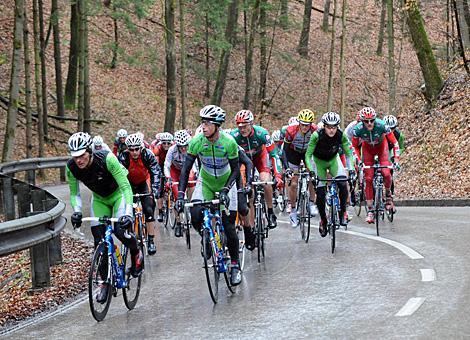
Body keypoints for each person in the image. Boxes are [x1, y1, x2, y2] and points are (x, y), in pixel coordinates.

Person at [66, 132, 143, 303]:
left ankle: (136, 252)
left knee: (120, 230)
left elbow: (125, 187)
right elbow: (74, 194)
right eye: (75, 156)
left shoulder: (107, 159)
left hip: (118, 195)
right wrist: (77, 211)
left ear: (89, 151)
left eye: (82, 155)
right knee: (99, 240)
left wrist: (128, 213)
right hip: (99, 199)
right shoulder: (71, 167)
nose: (79, 160)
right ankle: (104, 283)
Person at [175, 104, 242, 286]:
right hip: (205, 182)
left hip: (226, 183)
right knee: (195, 214)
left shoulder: (229, 142)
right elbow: (186, 169)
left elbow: (236, 170)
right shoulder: (197, 141)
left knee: (228, 226)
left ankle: (235, 265)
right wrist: (180, 195)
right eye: (201, 122)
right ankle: (206, 235)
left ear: (217, 125)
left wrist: (227, 190)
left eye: (207, 123)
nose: (203, 126)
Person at [230, 110, 283, 229]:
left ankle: (270, 212)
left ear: (251, 124)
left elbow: (274, 155)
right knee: (249, 193)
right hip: (244, 162)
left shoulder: (262, 133)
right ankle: (252, 227)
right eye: (239, 127)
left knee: (265, 181)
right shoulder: (234, 137)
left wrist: (278, 175)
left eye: (245, 126)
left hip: (260, 158)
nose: (242, 129)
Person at [305, 112, 354, 236]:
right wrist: (311, 172)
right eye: (329, 127)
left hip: (333, 160)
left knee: (343, 184)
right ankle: (323, 220)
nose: (332, 130)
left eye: (334, 127)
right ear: (324, 126)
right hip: (318, 162)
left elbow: (348, 153)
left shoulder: (340, 135)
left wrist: (352, 168)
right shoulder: (316, 135)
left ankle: (343, 212)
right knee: (320, 194)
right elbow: (308, 155)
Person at [351, 107, 400, 224]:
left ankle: (388, 196)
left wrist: (396, 160)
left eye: (372, 120)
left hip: (381, 147)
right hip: (367, 150)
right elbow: (354, 147)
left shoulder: (382, 125)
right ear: (362, 121)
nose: (369, 124)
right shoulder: (357, 129)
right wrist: (358, 160)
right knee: (368, 178)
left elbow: (395, 142)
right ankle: (370, 210)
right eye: (366, 121)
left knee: (386, 173)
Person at [119, 133, 162, 255]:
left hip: (144, 182)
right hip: (129, 184)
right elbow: (119, 176)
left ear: (141, 148)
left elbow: (155, 172)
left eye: (137, 149)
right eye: (131, 149)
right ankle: (131, 237)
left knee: (148, 209)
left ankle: (151, 240)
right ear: (128, 149)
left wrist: (154, 188)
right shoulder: (123, 157)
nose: (134, 152)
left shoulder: (147, 154)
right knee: (129, 211)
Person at [282, 109, 318, 227]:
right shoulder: (291, 131)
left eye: (307, 125)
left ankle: (312, 202)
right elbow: (285, 152)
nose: (304, 127)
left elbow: (318, 149)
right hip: (293, 154)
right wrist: (287, 168)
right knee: (293, 183)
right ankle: (293, 211)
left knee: (313, 176)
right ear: (299, 123)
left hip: (308, 153)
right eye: (302, 124)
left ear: (311, 124)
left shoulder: (315, 131)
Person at [164, 130, 197, 237]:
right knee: (177, 195)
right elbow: (166, 165)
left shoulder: (192, 148)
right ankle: (178, 223)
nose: (183, 149)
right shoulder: (172, 150)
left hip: (187, 169)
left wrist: (196, 173)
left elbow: (195, 164)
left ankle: (191, 203)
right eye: (180, 146)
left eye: (185, 146)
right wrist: (168, 177)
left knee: (192, 178)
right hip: (175, 171)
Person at [152, 132, 174, 222]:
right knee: (159, 190)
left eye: (168, 143)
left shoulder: (173, 148)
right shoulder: (157, 149)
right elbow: (156, 164)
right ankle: (160, 212)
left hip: (171, 166)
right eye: (164, 143)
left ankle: (172, 199)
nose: (166, 145)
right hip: (160, 166)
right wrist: (159, 174)